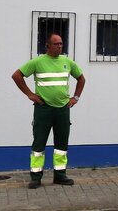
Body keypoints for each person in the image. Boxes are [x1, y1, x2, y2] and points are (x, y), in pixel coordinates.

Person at [11, 33, 86, 188]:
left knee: (61, 145)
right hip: (43, 109)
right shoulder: (37, 62)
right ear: (47, 46)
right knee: (39, 143)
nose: (59, 46)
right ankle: (36, 177)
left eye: (61, 44)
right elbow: (17, 76)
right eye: (56, 44)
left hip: (63, 109)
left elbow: (81, 78)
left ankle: (60, 175)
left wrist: (75, 98)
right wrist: (30, 94)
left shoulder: (67, 62)